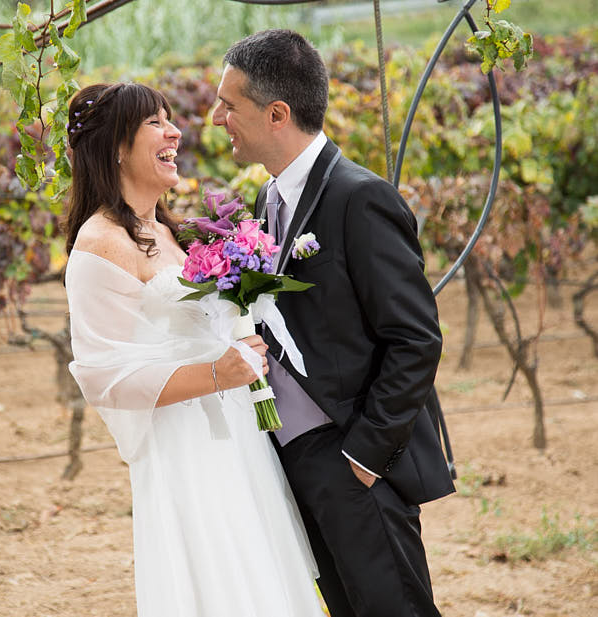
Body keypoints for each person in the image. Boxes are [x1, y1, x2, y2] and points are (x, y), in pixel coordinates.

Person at [212, 30, 456, 617]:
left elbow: (416, 339)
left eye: (229, 105)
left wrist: (365, 458)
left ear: (277, 113)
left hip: (353, 455)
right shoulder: (269, 200)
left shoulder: (360, 198)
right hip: (296, 454)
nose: (218, 116)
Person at [64, 82, 325, 616]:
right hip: (185, 448)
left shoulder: (164, 230)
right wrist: (216, 373)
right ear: (116, 146)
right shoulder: (100, 244)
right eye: (155, 123)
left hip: (235, 442)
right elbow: (101, 376)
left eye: (169, 120)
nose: (175, 131)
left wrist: (238, 339)